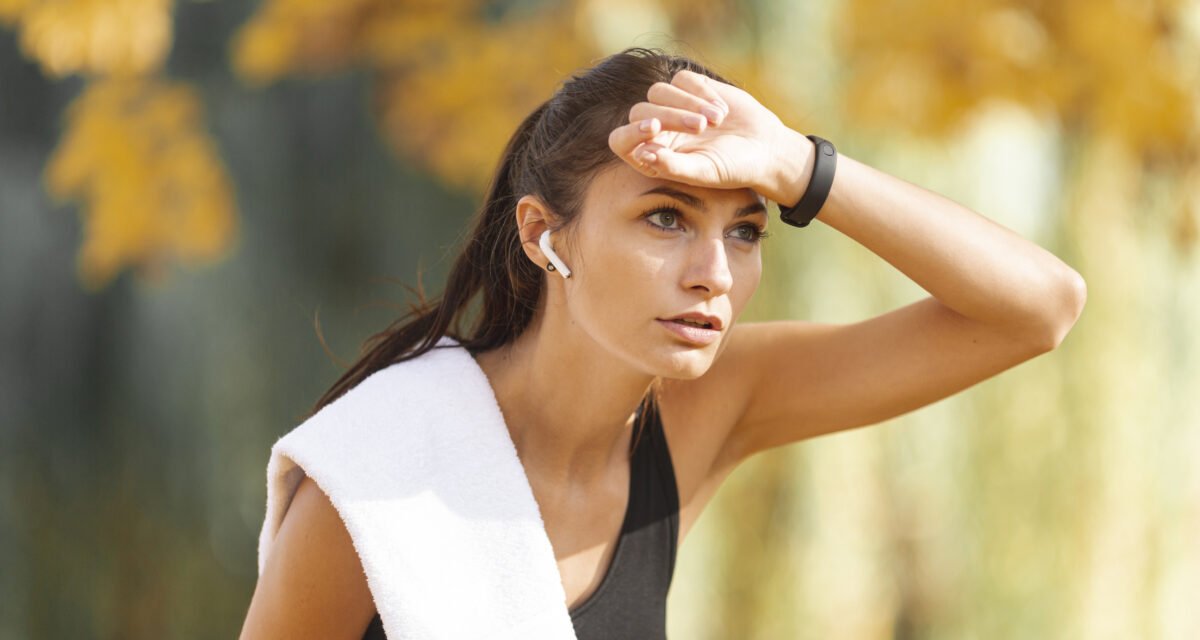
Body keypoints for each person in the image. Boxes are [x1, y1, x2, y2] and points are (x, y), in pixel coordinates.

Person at [238, 46, 1086, 639]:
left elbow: (1039, 309)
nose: (712, 272)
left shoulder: (706, 409)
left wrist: (800, 168)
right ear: (544, 236)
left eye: (746, 230)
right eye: (665, 218)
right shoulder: (379, 482)